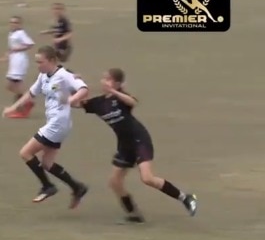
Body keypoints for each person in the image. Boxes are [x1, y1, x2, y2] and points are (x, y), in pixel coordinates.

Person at [73, 68, 198, 223]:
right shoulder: (98, 103)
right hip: (124, 145)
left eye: (109, 79)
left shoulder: (121, 99)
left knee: (147, 178)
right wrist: (74, 83)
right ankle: (133, 213)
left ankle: (186, 198)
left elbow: (133, 102)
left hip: (139, 140)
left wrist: (114, 91)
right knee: (115, 183)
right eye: (104, 79)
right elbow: (74, 103)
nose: (104, 82)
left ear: (117, 83)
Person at [3, 46, 89, 207]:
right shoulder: (43, 76)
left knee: (26, 153)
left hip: (58, 123)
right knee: (48, 164)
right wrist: (13, 108)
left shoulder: (64, 75)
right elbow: (30, 93)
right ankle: (78, 187)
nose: (38, 65)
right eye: (36, 62)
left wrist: (71, 100)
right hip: (56, 123)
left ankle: (47, 186)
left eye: (40, 62)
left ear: (52, 61)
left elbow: (84, 89)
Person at [0, 16, 35, 119]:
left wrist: (17, 49)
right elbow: (11, 48)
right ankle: (25, 103)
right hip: (13, 61)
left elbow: (30, 44)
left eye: (15, 22)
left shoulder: (21, 33)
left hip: (20, 61)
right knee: (11, 86)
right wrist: (6, 56)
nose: (13, 24)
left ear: (20, 24)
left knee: (15, 84)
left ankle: (26, 103)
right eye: (11, 22)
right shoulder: (12, 33)